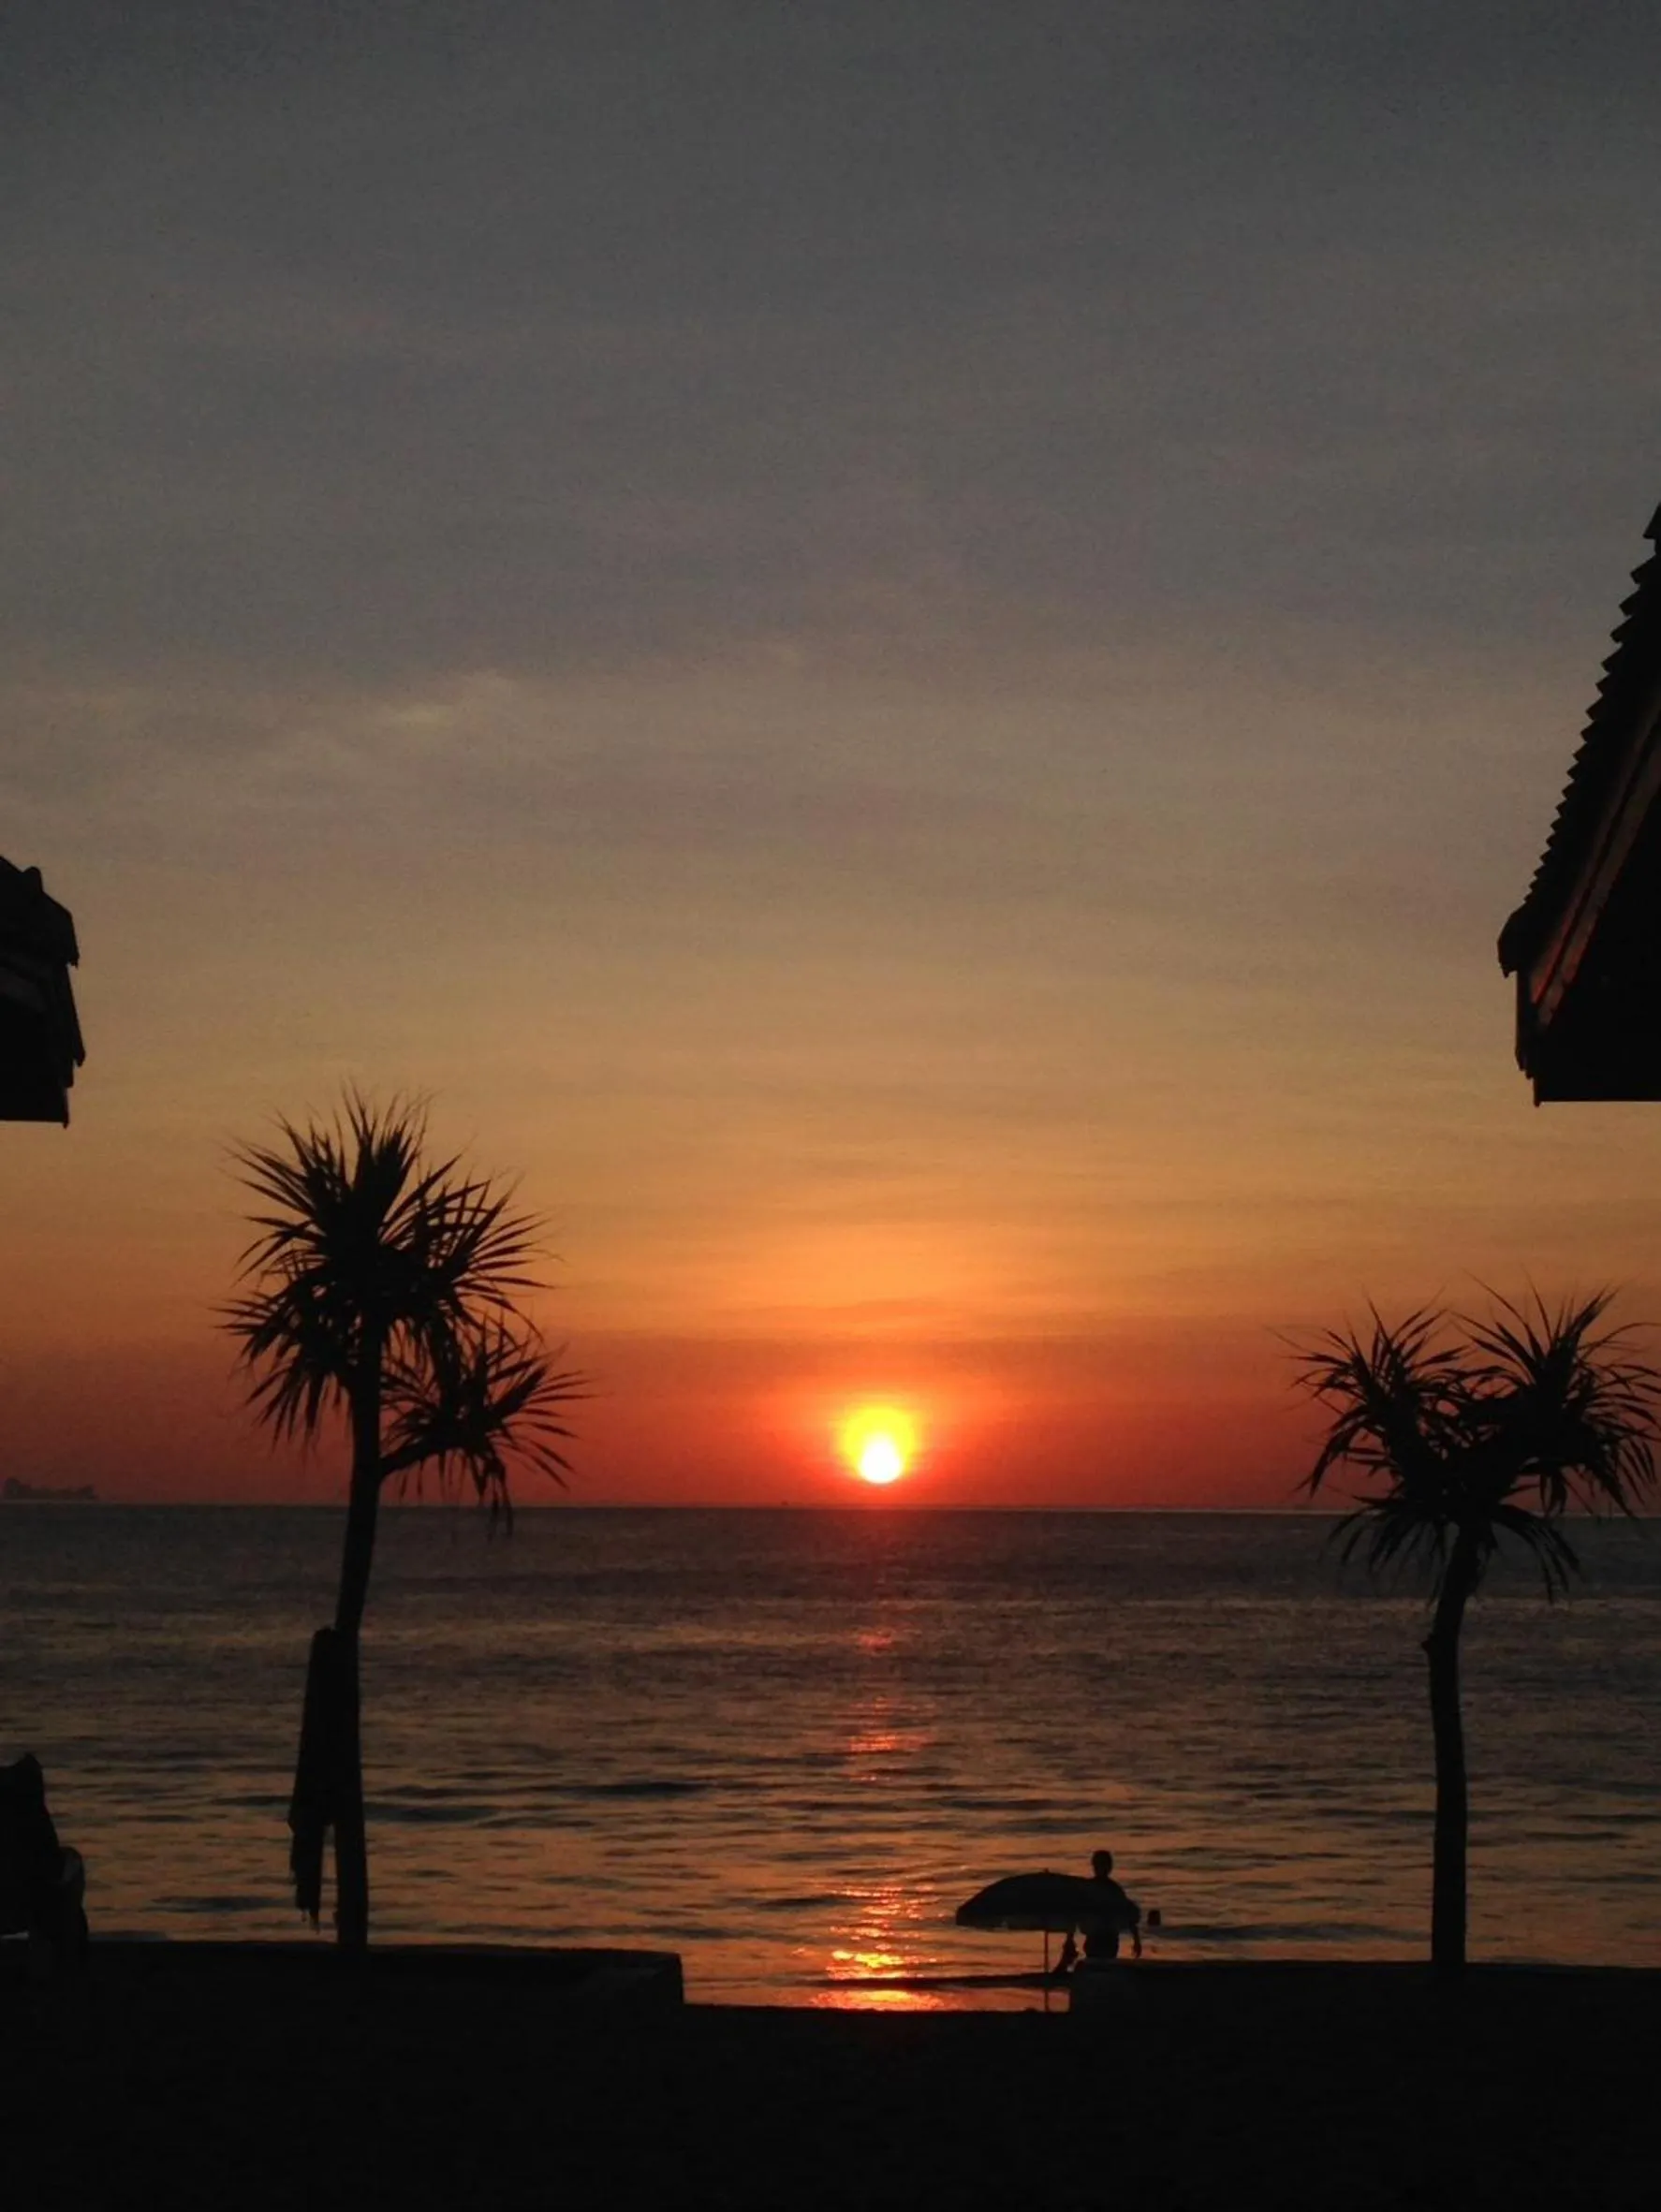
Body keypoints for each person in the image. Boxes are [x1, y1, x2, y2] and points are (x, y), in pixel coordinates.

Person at [1056, 1848, 1141, 1970]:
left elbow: (1128, 1914)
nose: (1102, 1868)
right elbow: (1076, 1913)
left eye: (1104, 1865)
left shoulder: (1111, 1889)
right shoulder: (1096, 1888)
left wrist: (1136, 1940)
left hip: (1108, 1938)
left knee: (1103, 1966)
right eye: (1101, 1865)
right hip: (1096, 1938)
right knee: (1099, 1966)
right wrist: (1069, 1939)